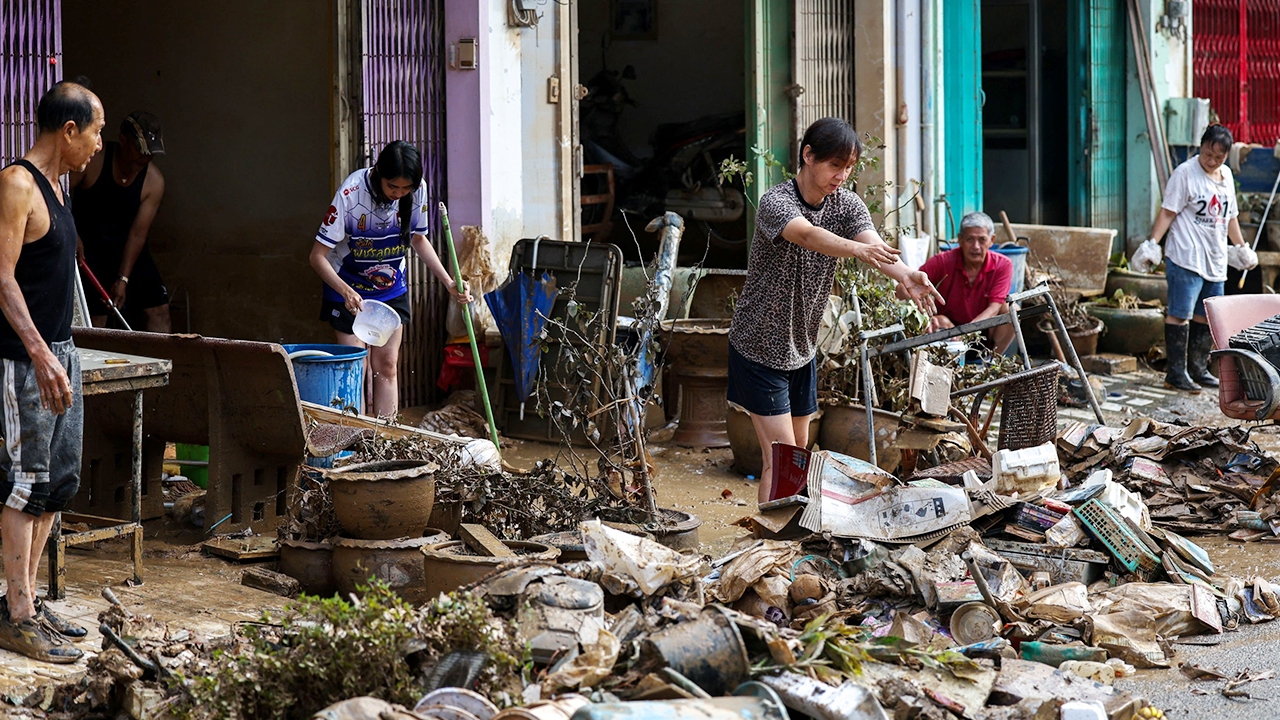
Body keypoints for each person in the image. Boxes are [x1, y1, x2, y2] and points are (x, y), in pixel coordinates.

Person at [727, 117, 942, 504]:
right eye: (835, 166)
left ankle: (787, 536)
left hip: (801, 348)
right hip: (759, 347)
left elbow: (872, 244)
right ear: (808, 156)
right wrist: (856, 249)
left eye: (849, 167)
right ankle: (768, 544)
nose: (842, 176)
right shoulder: (776, 202)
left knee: (800, 455)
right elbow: (809, 235)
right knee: (782, 461)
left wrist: (908, 274)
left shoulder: (845, 203)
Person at [0, 80, 105, 663]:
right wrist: (40, 353)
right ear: (68, 130)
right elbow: (2, 278)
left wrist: (58, 353)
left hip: (60, 353)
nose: (97, 144)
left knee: (56, 486)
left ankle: (30, 602)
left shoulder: (60, 190)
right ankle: (15, 613)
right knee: (24, 483)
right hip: (25, 360)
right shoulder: (17, 184)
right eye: (94, 131)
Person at [311, 141, 469, 420]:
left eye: (405, 189)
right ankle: (353, 439)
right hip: (347, 288)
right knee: (354, 369)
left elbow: (419, 239)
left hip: (389, 288)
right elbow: (317, 257)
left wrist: (448, 282)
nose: (399, 194)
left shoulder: (417, 190)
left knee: (388, 364)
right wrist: (345, 291)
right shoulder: (350, 194)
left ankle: (386, 436)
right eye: (392, 187)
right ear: (378, 175)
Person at [1131, 124, 1257, 392]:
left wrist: (1242, 247)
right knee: (1180, 314)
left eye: (1218, 158)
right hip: (1186, 257)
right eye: (1207, 154)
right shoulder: (1185, 173)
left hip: (1215, 259)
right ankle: (1175, 374)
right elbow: (1168, 212)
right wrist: (1153, 244)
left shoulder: (1225, 176)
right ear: (1200, 147)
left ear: (1226, 157)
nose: (1211, 162)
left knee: (1205, 316)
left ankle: (1198, 370)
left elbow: (1230, 217)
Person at [70, 111, 169, 332]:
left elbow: (137, 234)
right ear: (123, 141)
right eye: (140, 151)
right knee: (96, 319)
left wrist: (123, 278)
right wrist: (70, 232)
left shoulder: (153, 181)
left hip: (128, 249)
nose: (144, 158)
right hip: (88, 250)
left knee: (159, 310)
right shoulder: (94, 161)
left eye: (149, 154)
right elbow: (59, 194)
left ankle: (162, 364)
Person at [905, 211, 1016, 355]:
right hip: (947, 332)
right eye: (970, 239)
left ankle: (992, 361)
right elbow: (907, 287)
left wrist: (966, 332)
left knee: (1012, 310)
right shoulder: (942, 261)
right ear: (960, 239)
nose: (976, 246)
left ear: (991, 240)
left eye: (982, 239)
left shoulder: (1003, 264)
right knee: (940, 321)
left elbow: (994, 308)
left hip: (984, 332)